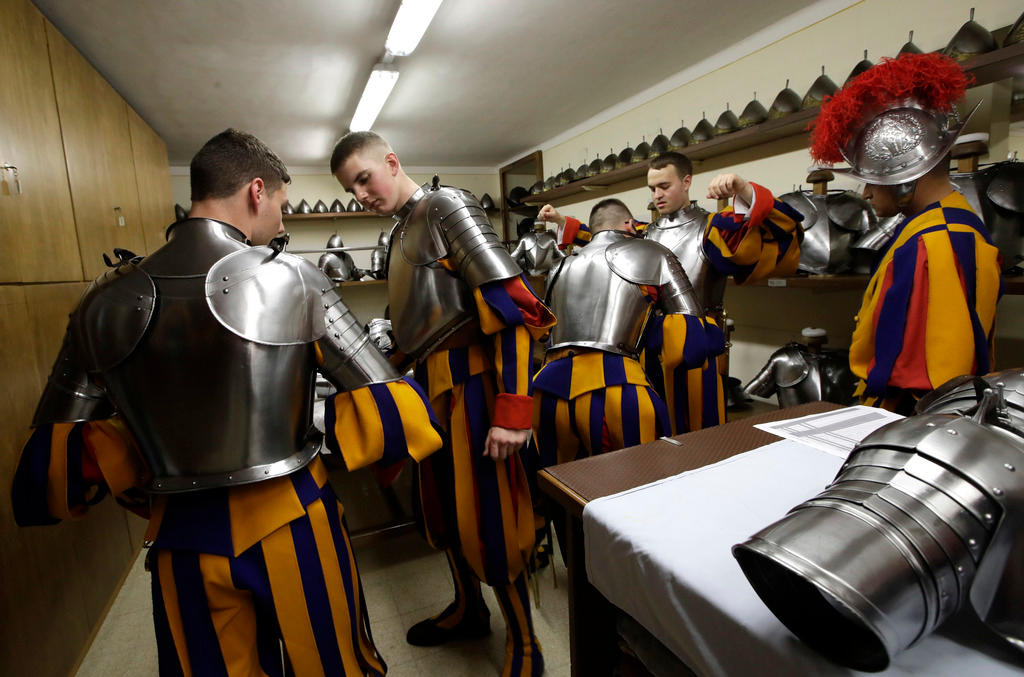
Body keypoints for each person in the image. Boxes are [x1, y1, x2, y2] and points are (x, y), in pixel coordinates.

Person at [12, 129, 443, 676]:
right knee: (333, 665)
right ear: (256, 192)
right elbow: (392, 412)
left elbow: (55, 465)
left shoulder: (103, 298)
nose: (283, 224)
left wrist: (141, 455)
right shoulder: (293, 279)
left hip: (183, 537)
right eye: (282, 207)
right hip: (295, 517)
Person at [331, 131, 555, 677]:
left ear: (391, 161)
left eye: (365, 177)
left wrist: (513, 411)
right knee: (442, 512)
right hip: (433, 393)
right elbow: (416, 329)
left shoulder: (447, 207)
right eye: (350, 187)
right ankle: (468, 609)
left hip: (477, 390)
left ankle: (526, 641)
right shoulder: (400, 233)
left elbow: (513, 313)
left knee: (493, 517)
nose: (361, 193)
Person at [538, 165, 802, 434]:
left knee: (698, 428)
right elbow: (605, 234)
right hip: (647, 345)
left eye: (665, 186)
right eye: (653, 188)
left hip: (695, 344)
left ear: (686, 182)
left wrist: (743, 189)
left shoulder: (710, 227)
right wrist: (561, 221)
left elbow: (780, 228)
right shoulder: (645, 232)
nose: (657, 194)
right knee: (649, 427)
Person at [809, 52, 1001, 413]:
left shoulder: (937, 240)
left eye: (872, 182)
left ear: (903, 180)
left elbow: (936, 376)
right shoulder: (941, 226)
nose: (865, 194)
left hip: (911, 416)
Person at [532, 198, 713, 547]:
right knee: (637, 500)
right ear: (629, 225)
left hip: (548, 389)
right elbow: (689, 342)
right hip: (616, 387)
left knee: (566, 497)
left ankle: (580, 587)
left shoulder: (560, 264)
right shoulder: (652, 252)